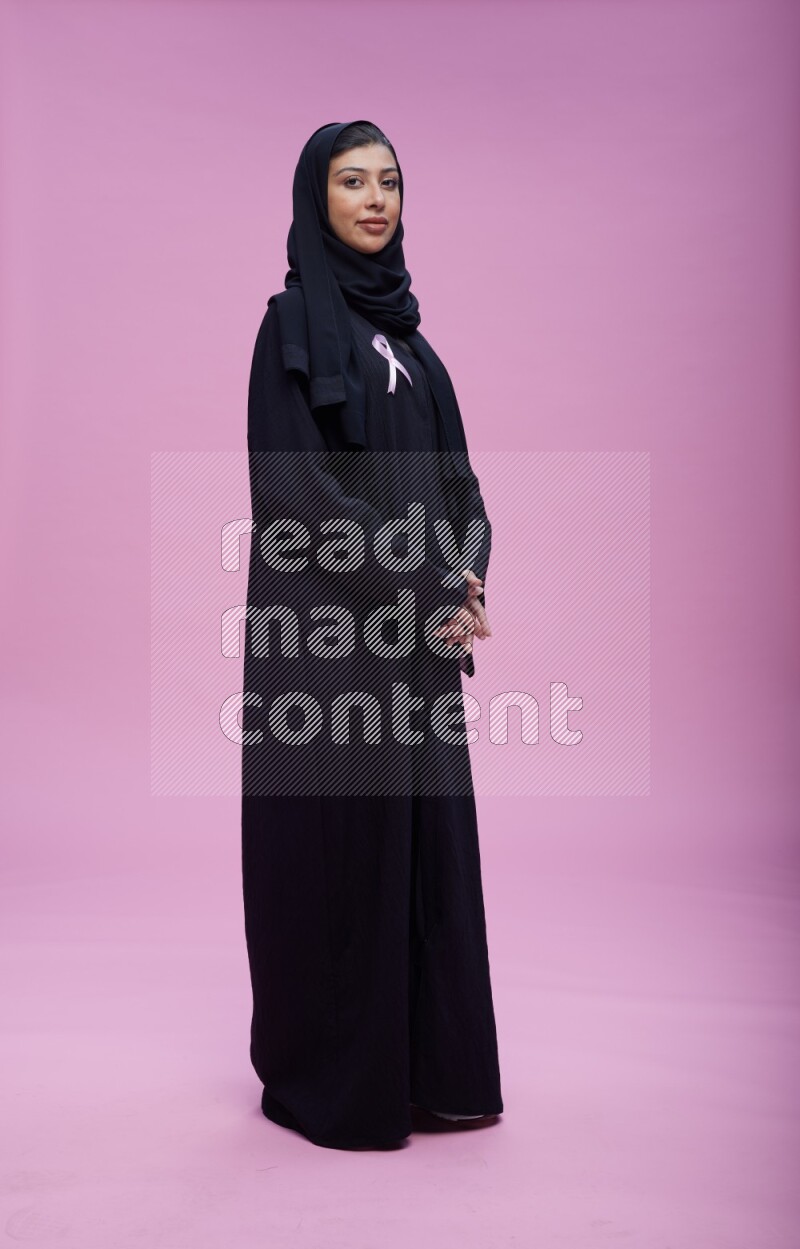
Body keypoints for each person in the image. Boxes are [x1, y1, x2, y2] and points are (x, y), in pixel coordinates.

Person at [241, 119, 503, 1150]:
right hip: (329, 643)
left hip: (418, 643)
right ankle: (334, 1082)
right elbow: (295, 493)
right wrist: (430, 575)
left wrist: (468, 572)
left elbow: (461, 484)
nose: (374, 199)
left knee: (424, 852)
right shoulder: (289, 325)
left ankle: (428, 1071)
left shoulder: (415, 346)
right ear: (317, 196)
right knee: (340, 853)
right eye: (352, 181)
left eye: (389, 181)